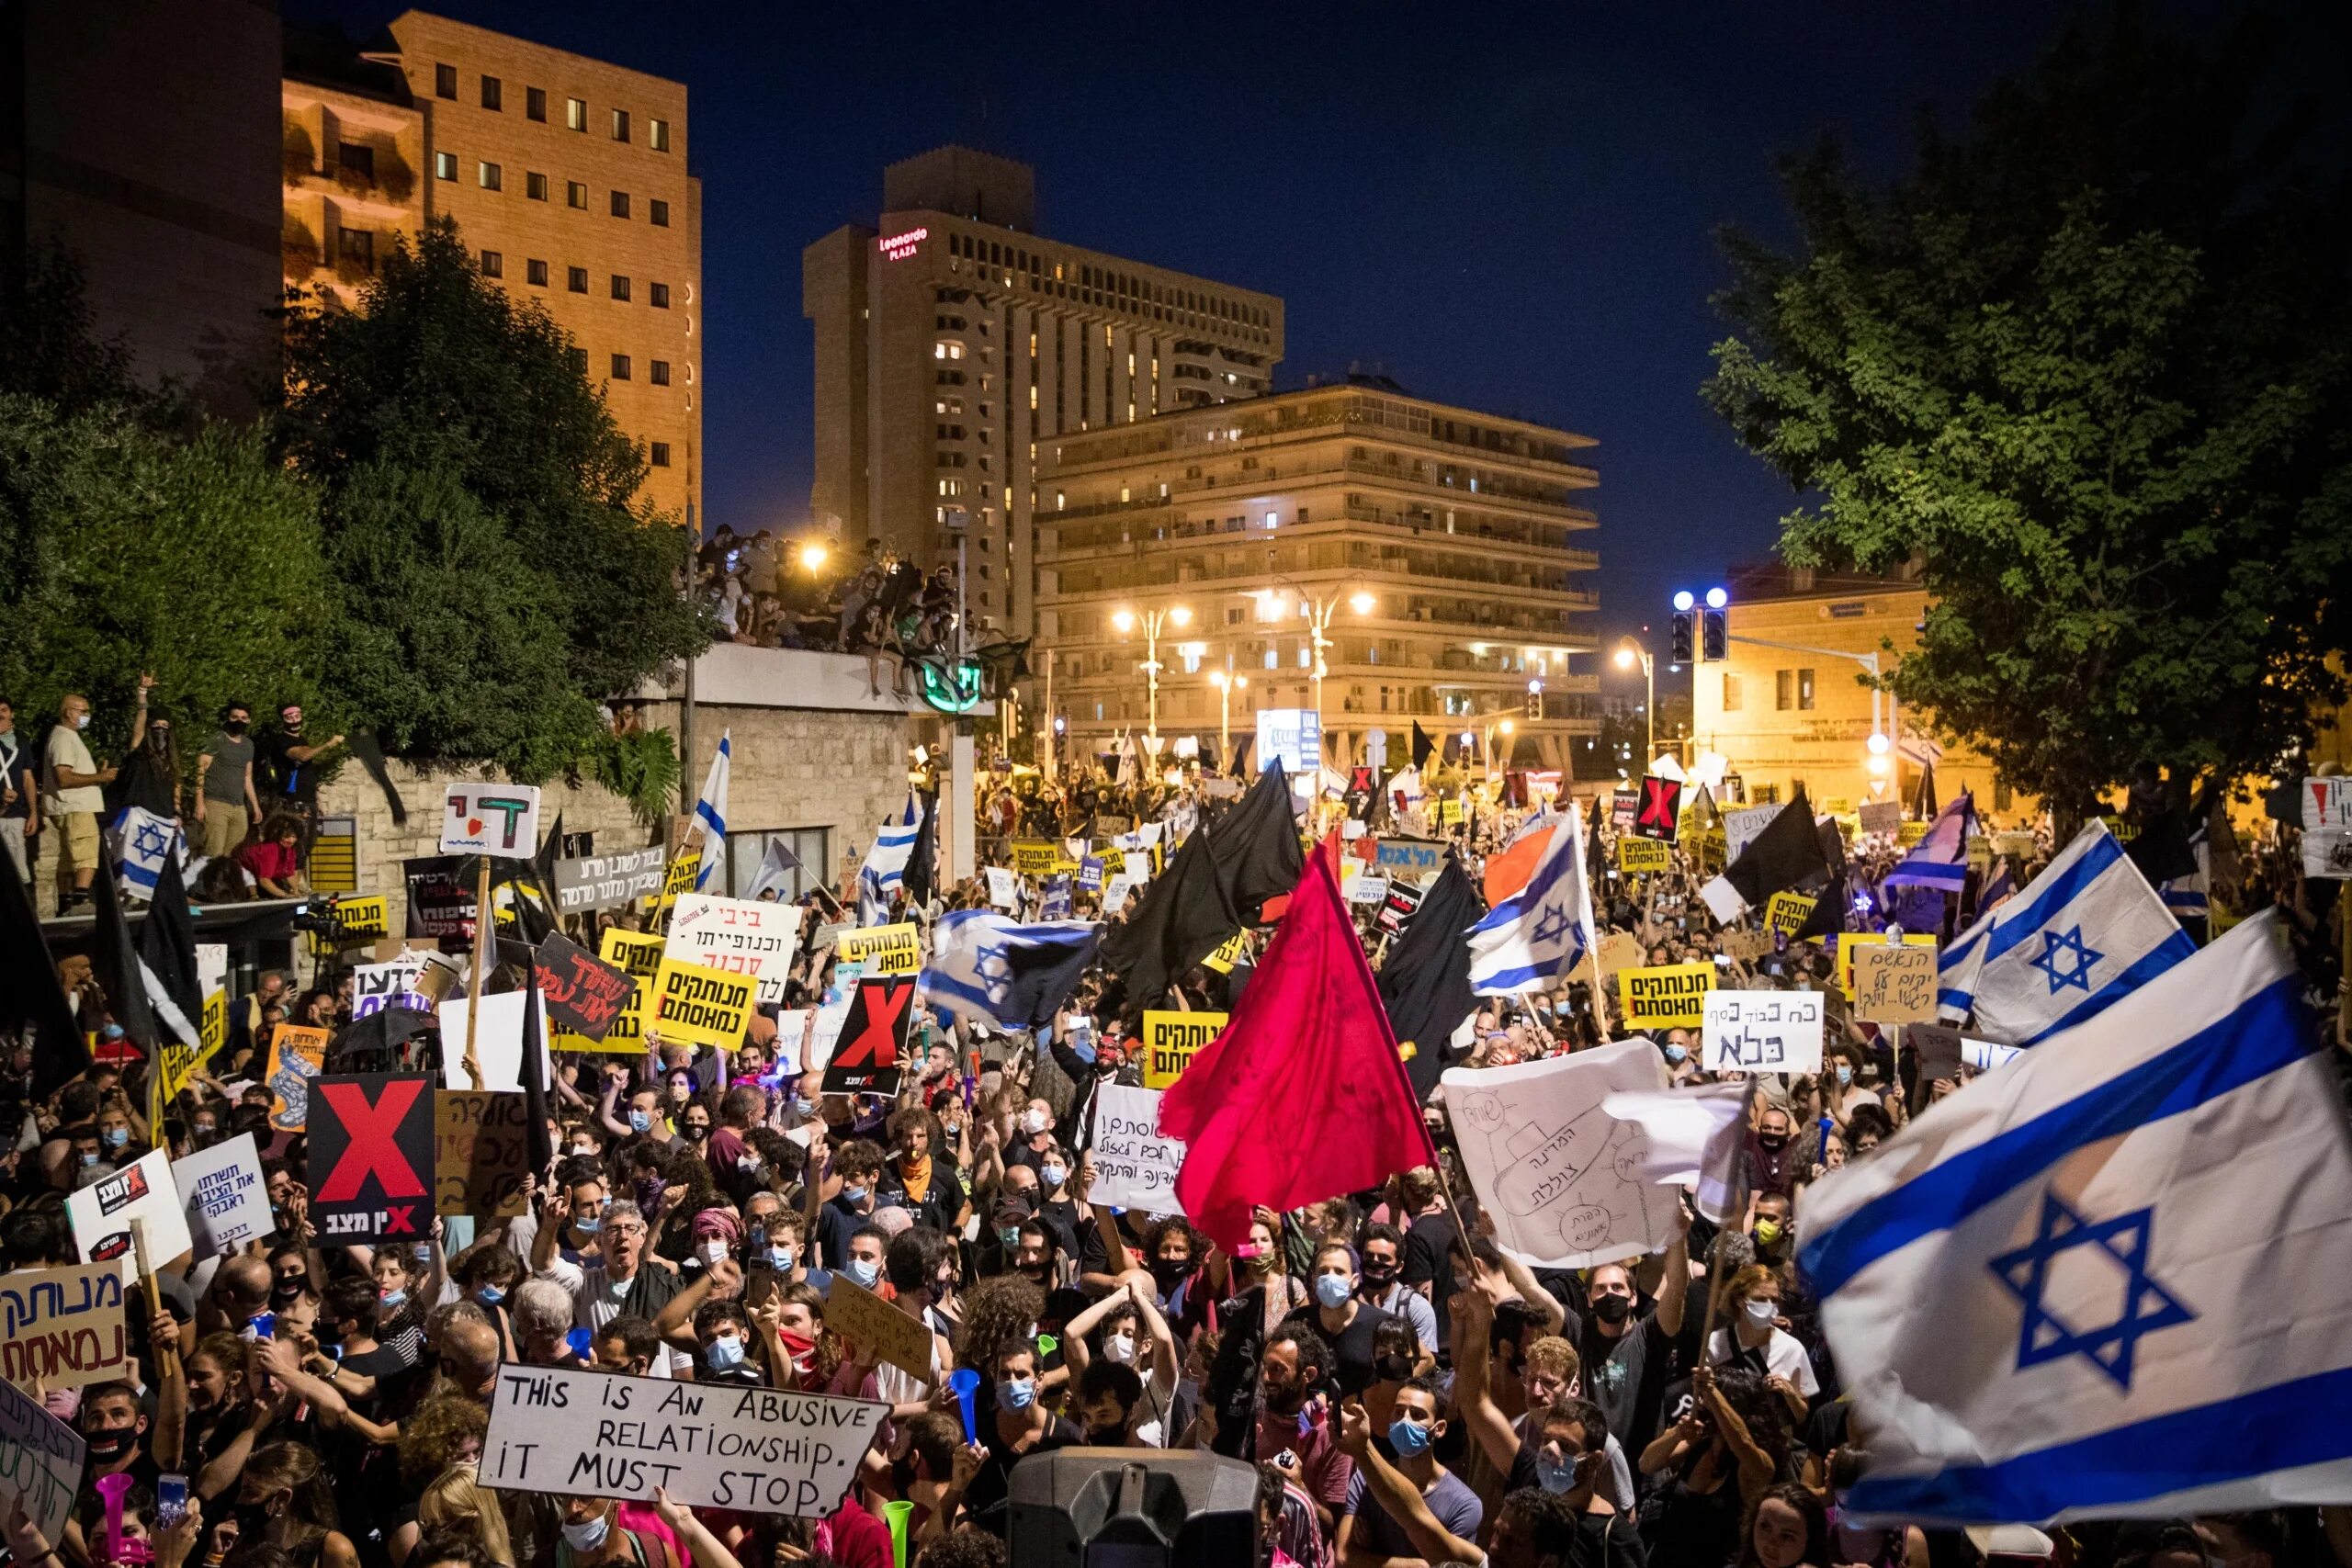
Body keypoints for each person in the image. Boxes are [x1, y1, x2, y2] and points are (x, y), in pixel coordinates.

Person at [1334, 1376, 1482, 1568]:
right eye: (1398, 1412)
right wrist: (1418, 1565)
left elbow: (1449, 1564)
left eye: (1417, 1415)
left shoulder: (1464, 1505)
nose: (1405, 1421)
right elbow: (1344, 1559)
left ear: (1439, 1429)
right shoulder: (1364, 1480)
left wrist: (1369, 1557)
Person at [1704, 1266, 1817, 1423]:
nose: (1769, 1305)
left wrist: (1789, 1393)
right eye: (1761, 1299)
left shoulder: (1793, 1349)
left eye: (1774, 1300)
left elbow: (1802, 1415)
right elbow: (1704, 1401)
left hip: (1768, 1441)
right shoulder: (1715, 1342)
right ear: (1740, 1301)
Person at [45, 688, 120, 908]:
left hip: (70, 808)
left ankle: (66, 903)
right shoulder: (63, 738)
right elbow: (64, 777)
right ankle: (80, 901)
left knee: (68, 859)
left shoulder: (66, 737)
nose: (87, 715)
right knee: (86, 856)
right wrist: (100, 776)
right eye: (83, 711)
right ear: (69, 712)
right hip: (76, 807)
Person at [0, 696, 41, 885]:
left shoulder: (22, 740)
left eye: (4, 710)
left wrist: (33, 812)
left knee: (19, 870)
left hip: (17, 813)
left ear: (11, 713)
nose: (0, 715)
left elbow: (28, 778)